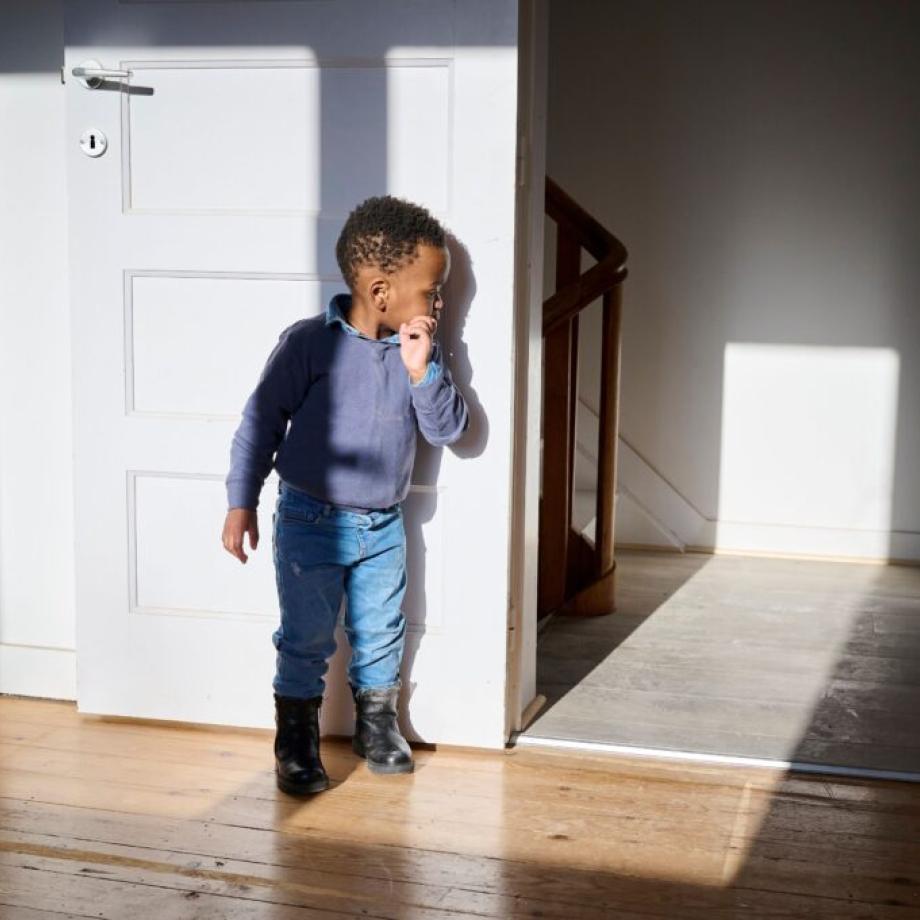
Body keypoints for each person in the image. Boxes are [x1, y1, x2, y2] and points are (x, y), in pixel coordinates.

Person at [221, 195, 469, 796]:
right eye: (431, 290)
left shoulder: (418, 354)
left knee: (380, 629)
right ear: (381, 291)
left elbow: (448, 429)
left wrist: (422, 370)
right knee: (305, 636)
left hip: (383, 524)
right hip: (309, 519)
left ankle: (377, 725)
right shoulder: (310, 344)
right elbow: (260, 422)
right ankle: (296, 741)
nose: (439, 303)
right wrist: (241, 500)